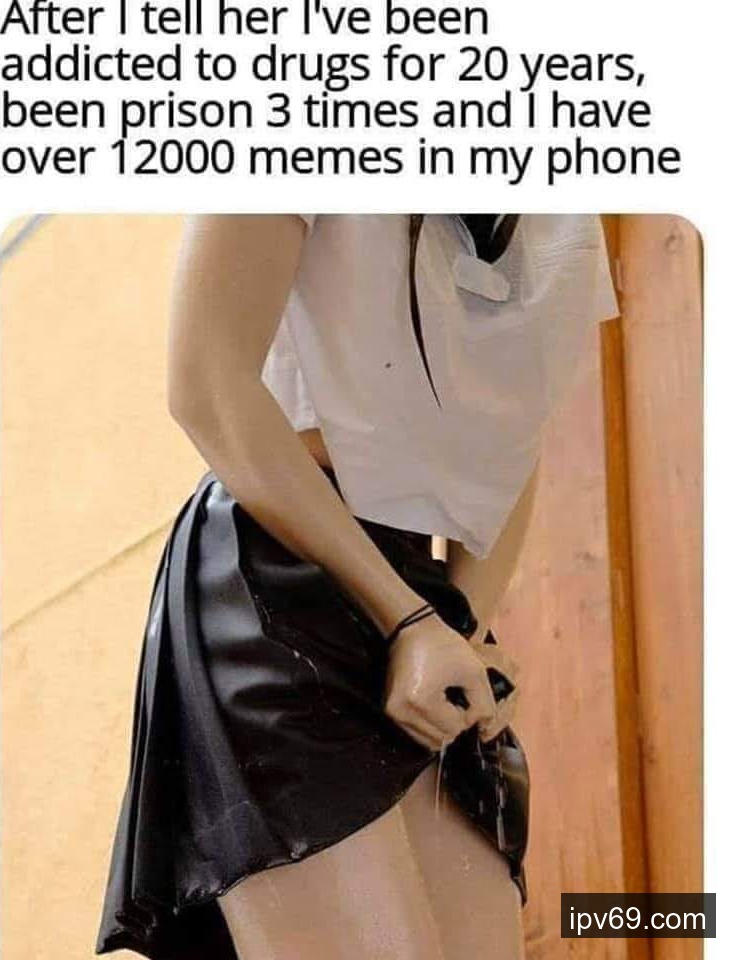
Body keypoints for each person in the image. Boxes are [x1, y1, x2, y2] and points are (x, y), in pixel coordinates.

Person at [96, 213, 618, 960]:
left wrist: (460, 624)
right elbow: (205, 382)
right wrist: (410, 621)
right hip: (276, 564)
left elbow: (514, 436)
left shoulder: (560, 214)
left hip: (423, 590)